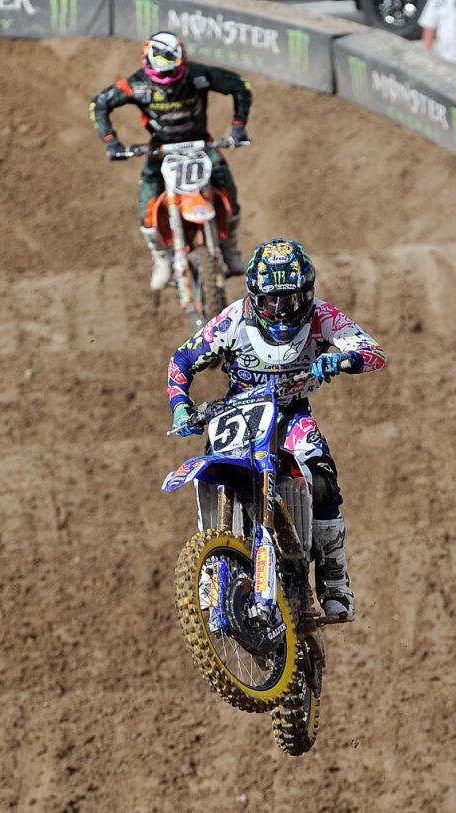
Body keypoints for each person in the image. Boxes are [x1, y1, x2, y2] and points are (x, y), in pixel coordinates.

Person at [167, 238, 387, 622]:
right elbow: (182, 359)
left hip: (290, 413)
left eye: (291, 300)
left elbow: (373, 352)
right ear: (255, 297)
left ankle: (334, 576)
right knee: (211, 473)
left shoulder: (321, 316)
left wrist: (341, 359)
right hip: (238, 411)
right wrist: (180, 406)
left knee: (320, 471)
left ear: (308, 294)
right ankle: (209, 568)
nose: (282, 311)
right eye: (271, 301)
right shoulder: (233, 320)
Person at [89, 31, 252, 290]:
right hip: (160, 151)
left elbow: (239, 84)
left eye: (173, 73)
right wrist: (111, 141)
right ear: (148, 65)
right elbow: (99, 103)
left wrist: (238, 127)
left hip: (202, 146)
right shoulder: (136, 84)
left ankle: (231, 250)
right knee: (147, 206)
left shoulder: (199, 75)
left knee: (229, 194)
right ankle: (161, 259)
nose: (168, 81)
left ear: (183, 62)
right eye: (162, 75)